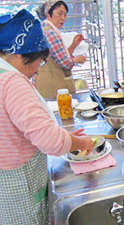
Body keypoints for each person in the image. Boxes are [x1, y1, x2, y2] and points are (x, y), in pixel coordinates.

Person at [0, 9, 94, 224]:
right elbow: (49, 141)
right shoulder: (12, 82)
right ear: (19, 54)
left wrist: (65, 137)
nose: (36, 70)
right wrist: (80, 142)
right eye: (38, 61)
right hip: (20, 188)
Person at [35, 0, 86, 98]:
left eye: (65, 15)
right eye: (60, 13)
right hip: (53, 86)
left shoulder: (44, 29)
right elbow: (65, 63)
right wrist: (78, 59)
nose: (63, 18)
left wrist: (73, 46)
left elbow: (57, 58)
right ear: (48, 14)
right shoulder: (50, 33)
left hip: (47, 83)